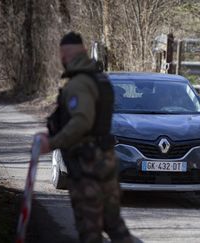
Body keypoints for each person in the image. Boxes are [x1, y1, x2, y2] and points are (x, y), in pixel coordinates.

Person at [35, 32, 134, 243]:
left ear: (64, 54)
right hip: (106, 160)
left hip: (88, 164)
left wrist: (51, 143)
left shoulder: (79, 84)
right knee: (114, 225)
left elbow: (82, 122)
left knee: (90, 230)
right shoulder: (100, 79)